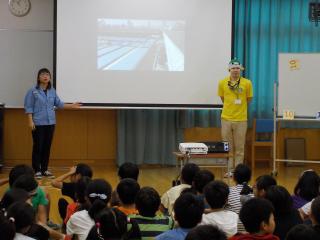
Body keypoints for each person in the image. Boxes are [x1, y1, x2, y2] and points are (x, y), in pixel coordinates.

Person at [24, 68, 81, 179]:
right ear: (39, 77)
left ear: (50, 78)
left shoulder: (52, 91)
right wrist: (30, 121)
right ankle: (37, 170)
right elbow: (29, 107)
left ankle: (45, 169)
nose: (45, 76)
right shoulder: (32, 91)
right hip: (38, 123)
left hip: (50, 123)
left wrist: (72, 105)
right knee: (38, 147)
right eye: (43, 74)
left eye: (47, 75)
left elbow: (59, 104)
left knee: (47, 147)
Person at [218, 59, 253, 177]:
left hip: (241, 119)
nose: (235, 70)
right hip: (226, 118)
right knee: (227, 146)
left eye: (238, 68)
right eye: (233, 68)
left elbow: (248, 99)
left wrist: (239, 108)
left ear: (241, 69)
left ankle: (238, 172)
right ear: (229, 69)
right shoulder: (222, 82)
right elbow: (223, 98)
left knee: (239, 147)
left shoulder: (247, 83)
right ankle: (229, 170)